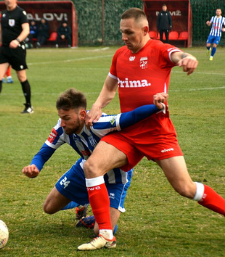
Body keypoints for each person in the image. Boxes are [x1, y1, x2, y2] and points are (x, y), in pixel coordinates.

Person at [78, 8, 225, 251]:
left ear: (145, 30)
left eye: (129, 32)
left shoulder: (158, 49)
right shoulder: (119, 55)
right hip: (127, 132)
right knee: (92, 166)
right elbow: (109, 88)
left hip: (158, 134)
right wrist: (96, 106)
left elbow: (177, 55)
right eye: (121, 32)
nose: (124, 37)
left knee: (185, 187)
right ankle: (106, 235)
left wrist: (187, 58)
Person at [22, 88, 166, 234]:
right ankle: (83, 202)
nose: (62, 123)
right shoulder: (61, 129)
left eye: (67, 118)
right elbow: (43, 154)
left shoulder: (98, 123)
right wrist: (35, 166)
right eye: (60, 117)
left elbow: (130, 117)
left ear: (82, 114)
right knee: (49, 207)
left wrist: (157, 107)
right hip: (85, 168)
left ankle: (97, 214)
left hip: (115, 177)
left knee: (102, 231)